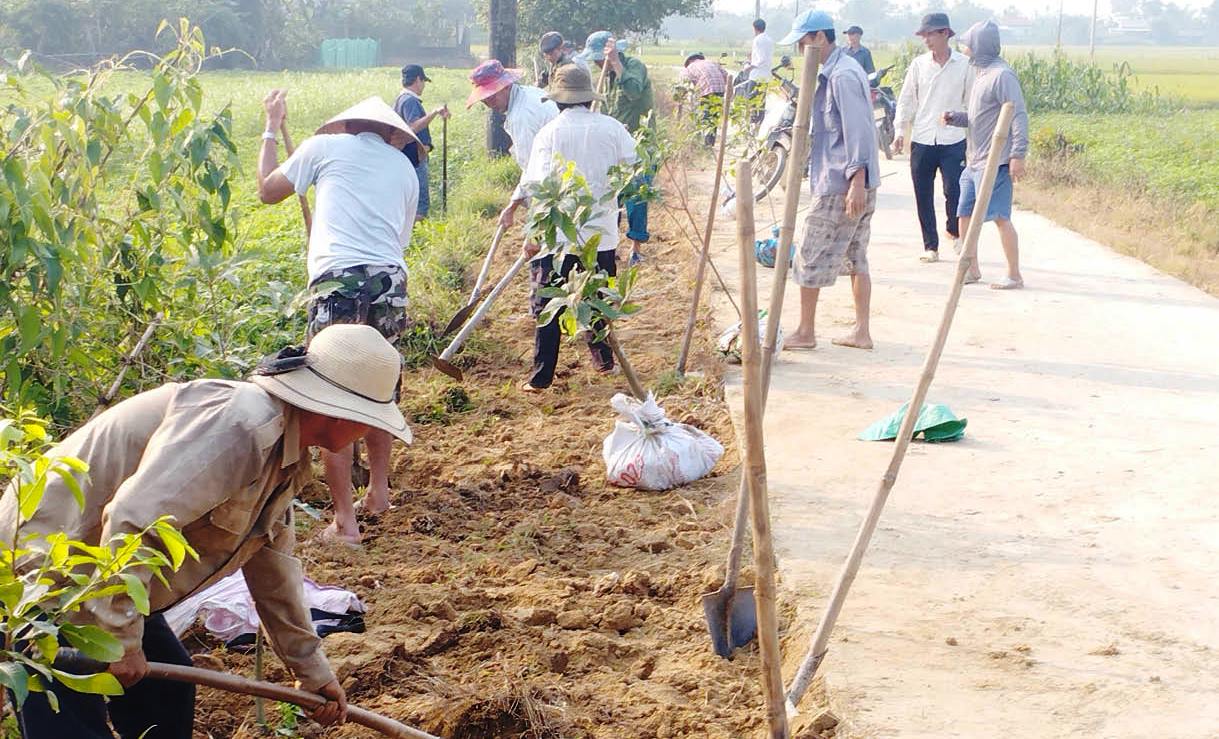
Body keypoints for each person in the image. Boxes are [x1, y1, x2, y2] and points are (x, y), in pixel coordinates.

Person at [0, 324, 412, 739]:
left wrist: (310, 671)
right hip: (47, 570)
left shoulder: (284, 455)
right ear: (339, 414)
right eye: (367, 421)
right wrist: (122, 638)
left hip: (102, 573)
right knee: (70, 719)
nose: (366, 432)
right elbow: (133, 518)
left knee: (165, 701)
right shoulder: (240, 427)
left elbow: (274, 568)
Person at [257, 93, 419, 544]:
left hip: (337, 280)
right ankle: (379, 492)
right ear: (390, 133)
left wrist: (271, 127)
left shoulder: (322, 147)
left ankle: (345, 522)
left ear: (346, 126)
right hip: (389, 281)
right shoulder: (404, 167)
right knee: (377, 389)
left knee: (333, 394)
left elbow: (268, 191)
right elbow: (397, 237)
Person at [511, 64, 638, 392]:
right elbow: (632, 166)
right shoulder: (613, 128)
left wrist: (532, 234)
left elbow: (536, 186)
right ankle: (605, 362)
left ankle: (541, 377)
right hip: (601, 235)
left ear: (558, 101)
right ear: (588, 99)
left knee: (549, 303)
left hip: (559, 236)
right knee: (597, 298)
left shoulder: (550, 133)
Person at [778, 9, 881, 351]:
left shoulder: (842, 76)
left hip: (842, 183)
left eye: (803, 42)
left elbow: (858, 130)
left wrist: (856, 179)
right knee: (856, 256)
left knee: (809, 252)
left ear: (820, 37)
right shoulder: (835, 71)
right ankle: (861, 331)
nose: (799, 51)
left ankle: (806, 332)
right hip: (851, 180)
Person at [944, 20, 1029, 289]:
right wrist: (957, 118)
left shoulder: (1002, 75)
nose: (965, 49)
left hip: (996, 162)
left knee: (1000, 217)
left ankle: (1014, 274)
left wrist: (1018, 154)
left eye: (969, 44)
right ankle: (972, 269)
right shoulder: (982, 75)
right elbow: (980, 117)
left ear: (979, 46)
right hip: (974, 161)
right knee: (964, 214)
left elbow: (1017, 115)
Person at [894, 12, 971, 262]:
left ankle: (954, 230)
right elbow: (906, 99)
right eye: (924, 35)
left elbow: (971, 102)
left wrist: (960, 119)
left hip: (953, 138)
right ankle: (931, 246)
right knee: (923, 193)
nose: (926, 39)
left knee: (954, 189)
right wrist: (899, 131)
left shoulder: (964, 65)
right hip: (923, 137)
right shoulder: (918, 65)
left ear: (945, 34)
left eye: (931, 34)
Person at [581, 30, 654, 264]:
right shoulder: (606, 77)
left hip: (639, 145)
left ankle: (636, 248)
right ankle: (609, 246)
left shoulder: (633, 67)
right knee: (611, 197)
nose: (595, 62)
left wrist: (615, 62)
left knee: (636, 196)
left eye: (597, 58)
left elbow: (633, 92)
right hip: (613, 145)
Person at [465, 60, 559, 230]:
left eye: (492, 96)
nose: (489, 103)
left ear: (506, 86)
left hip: (555, 181)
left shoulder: (521, 117)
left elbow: (533, 170)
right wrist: (512, 206)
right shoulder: (529, 93)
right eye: (484, 100)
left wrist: (515, 208)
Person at [393, 64, 450, 221]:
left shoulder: (401, 99)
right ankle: (416, 238)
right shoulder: (410, 101)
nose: (423, 86)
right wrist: (434, 112)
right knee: (420, 204)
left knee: (410, 200)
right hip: (414, 157)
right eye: (423, 81)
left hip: (407, 156)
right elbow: (413, 126)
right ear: (418, 79)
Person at [677, 52, 729, 145]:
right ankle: (710, 143)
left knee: (706, 117)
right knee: (714, 117)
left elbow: (685, 84)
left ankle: (706, 145)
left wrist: (682, 97)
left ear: (689, 61)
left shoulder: (690, 67)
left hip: (706, 91)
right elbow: (726, 75)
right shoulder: (711, 63)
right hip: (720, 90)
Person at [742, 18, 775, 88]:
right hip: (766, 76)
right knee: (761, 98)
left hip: (756, 76)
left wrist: (749, 67)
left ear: (755, 28)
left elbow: (761, 59)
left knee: (750, 98)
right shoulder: (769, 40)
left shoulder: (757, 39)